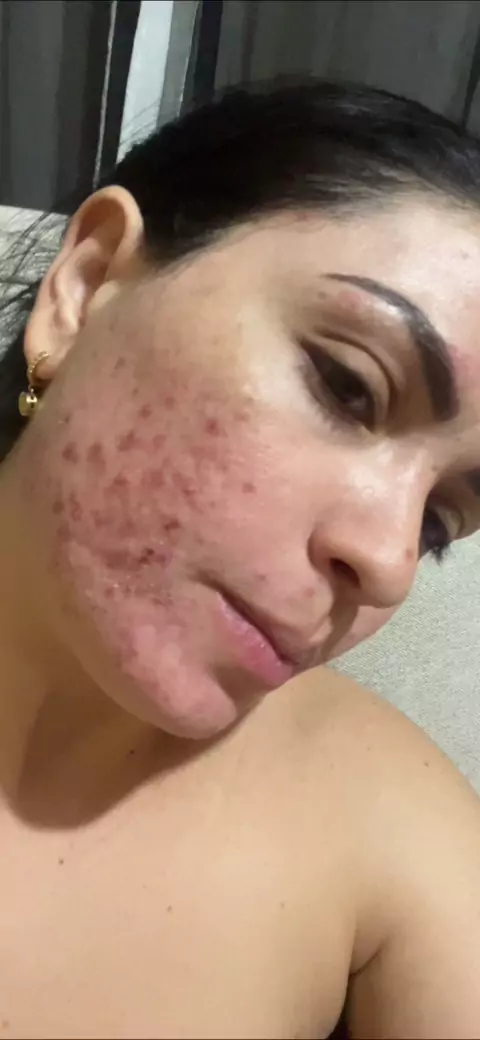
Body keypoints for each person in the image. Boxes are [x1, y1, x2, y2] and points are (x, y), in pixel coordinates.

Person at [1, 77, 480, 1040]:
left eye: (439, 523)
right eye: (348, 385)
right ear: (85, 287)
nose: (389, 562)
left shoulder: (387, 832)